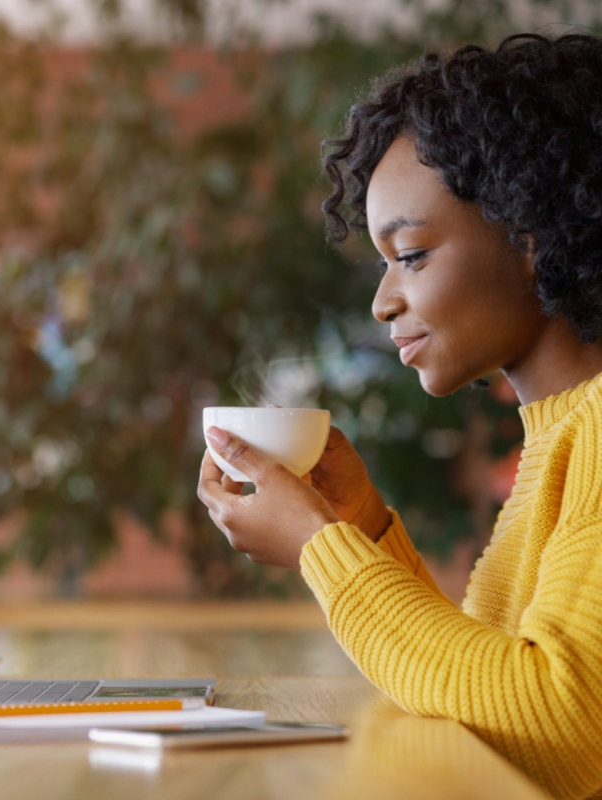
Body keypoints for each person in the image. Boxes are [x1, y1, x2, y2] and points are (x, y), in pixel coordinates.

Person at [197, 32, 602, 800]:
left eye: (410, 256)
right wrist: (364, 533)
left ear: (531, 236)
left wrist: (321, 550)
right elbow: (490, 690)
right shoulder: (564, 434)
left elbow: (562, 732)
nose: (383, 301)